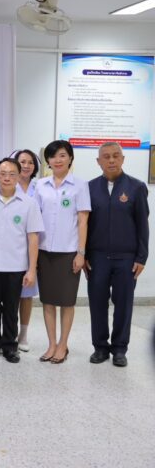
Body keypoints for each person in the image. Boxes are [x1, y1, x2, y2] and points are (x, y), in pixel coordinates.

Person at [87, 142, 149, 367]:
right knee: (97, 304)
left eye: (116, 156)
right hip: (97, 258)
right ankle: (100, 348)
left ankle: (120, 349)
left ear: (123, 159)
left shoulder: (136, 187)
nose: (111, 160)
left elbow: (143, 225)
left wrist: (141, 257)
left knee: (123, 305)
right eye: (106, 156)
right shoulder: (90, 188)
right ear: (98, 161)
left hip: (126, 258)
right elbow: (84, 225)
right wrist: (84, 255)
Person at [0, 158, 43, 363]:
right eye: (3, 173)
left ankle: (9, 346)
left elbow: (33, 238)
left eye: (11, 174)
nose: (7, 178)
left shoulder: (29, 203)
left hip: (16, 266)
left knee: (11, 309)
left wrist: (31, 270)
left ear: (18, 176)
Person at [34, 141, 90, 365]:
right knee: (48, 301)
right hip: (44, 251)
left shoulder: (80, 185)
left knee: (67, 301)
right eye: (53, 156)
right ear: (47, 161)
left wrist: (81, 253)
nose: (57, 160)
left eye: (62, 155)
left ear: (70, 158)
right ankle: (51, 344)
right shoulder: (40, 185)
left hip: (69, 252)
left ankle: (63, 344)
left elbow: (83, 221)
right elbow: (35, 219)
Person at [12, 148, 40, 352]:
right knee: (11, 294)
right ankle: (9, 331)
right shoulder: (8, 185)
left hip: (32, 246)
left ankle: (23, 334)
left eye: (30, 162)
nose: (26, 165)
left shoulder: (41, 187)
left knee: (26, 294)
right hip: (11, 247)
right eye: (22, 162)